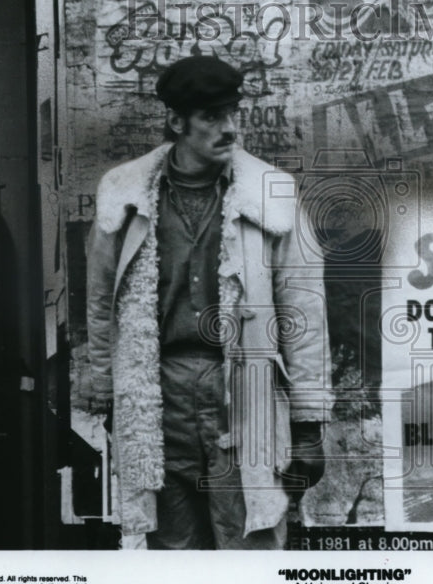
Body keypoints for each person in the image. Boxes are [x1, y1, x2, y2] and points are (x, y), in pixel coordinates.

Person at [83, 55, 331, 549]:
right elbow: (99, 299)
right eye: (212, 117)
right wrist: (104, 387)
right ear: (177, 122)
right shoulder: (124, 191)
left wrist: (307, 423)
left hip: (241, 387)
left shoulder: (270, 193)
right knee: (172, 546)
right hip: (157, 389)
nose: (229, 129)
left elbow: (304, 311)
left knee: (248, 538)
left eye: (232, 114)